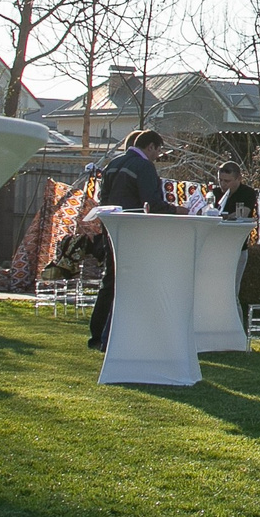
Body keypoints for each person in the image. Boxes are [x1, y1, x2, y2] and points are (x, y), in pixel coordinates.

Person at [86, 128, 175, 351]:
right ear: (150, 146)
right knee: (133, 281)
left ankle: (98, 333)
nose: (157, 156)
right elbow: (152, 203)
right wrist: (176, 210)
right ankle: (119, 334)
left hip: (111, 227)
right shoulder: (144, 166)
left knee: (110, 279)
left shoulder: (113, 164)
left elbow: (103, 198)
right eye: (158, 150)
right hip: (134, 230)